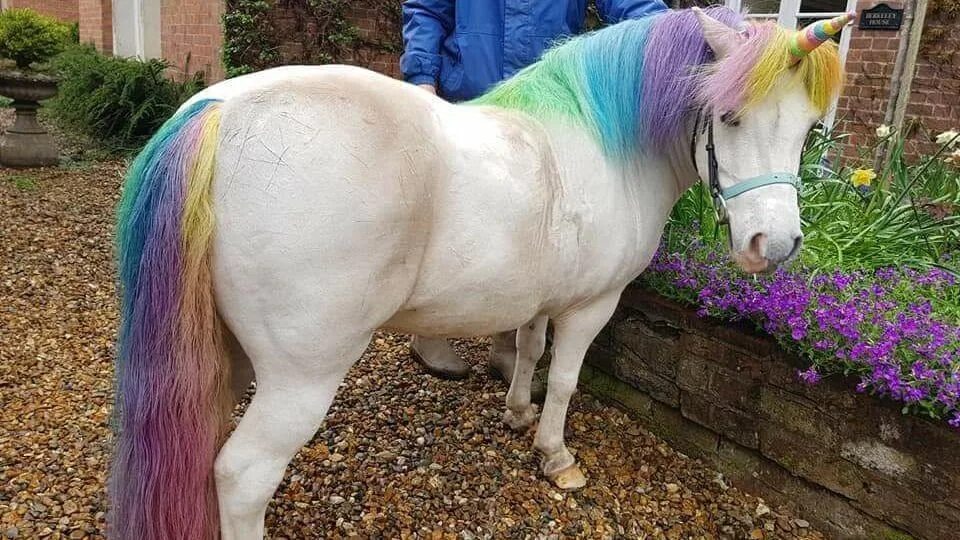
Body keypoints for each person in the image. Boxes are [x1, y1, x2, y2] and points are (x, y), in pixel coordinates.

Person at [400, 0, 668, 383]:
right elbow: (427, 9)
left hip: (547, 100)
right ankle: (429, 330)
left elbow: (635, 8)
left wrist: (679, 37)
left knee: (531, 228)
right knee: (454, 216)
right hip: (471, 94)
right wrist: (421, 79)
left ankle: (506, 346)